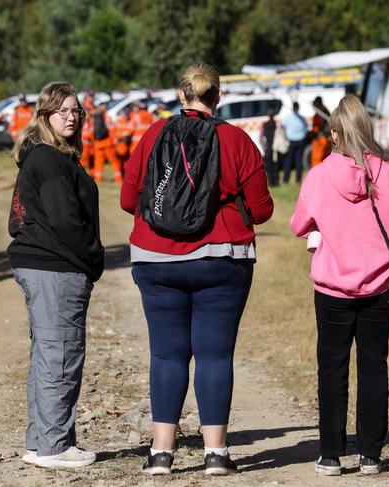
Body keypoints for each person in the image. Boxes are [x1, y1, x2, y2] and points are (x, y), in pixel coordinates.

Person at [121, 63, 274, 476]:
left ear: (181, 93)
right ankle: (216, 454)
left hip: (156, 259)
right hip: (222, 258)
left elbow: (127, 197)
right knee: (214, 354)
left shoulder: (154, 134)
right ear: (217, 96)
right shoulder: (237, 139)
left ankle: (161, 454)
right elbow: (261, 211)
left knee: (167, 354)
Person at [290, 95, 389, 476]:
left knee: (331, 367)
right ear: (368, 130)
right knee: (373, 365)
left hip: (332, 286)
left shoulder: (318, 176)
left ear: (334, 135)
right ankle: (371, 454)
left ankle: (330, 454)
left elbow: (299, 225)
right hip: (381, 285)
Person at [7, 81, 104, 469]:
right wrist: (93, 259)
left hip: (46, 266)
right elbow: (65, 221)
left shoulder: (49, 156)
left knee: (48, 355)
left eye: (76, 110)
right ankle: (54, 446)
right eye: (62, 110)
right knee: (60, 355)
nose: (71, 116)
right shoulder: (48, 159)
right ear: (44, 115)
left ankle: (41, 441)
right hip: (55, 269)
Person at [92, 104, 122, 184]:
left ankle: (98, 179)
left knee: (98, 162)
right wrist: (115, 141)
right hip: (107, 142)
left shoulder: (95, 117)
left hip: (98, 143)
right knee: (114, 161)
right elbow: (112, 130)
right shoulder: (107, 117)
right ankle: (118, 178)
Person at [281, 101, 307, 183]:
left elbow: (282, 126)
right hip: (300, 140)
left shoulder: (288, 117)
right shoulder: (302, 118)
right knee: (298, 161)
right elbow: (306, 128)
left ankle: (286, 179)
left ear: (292, 108)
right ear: (298, 108)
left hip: (291, 141)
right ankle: (298, 179)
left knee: (288, 161)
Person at [310, 96, 331, 167]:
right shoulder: (324, 111)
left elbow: (317, 128)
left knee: (318, 158)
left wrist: (313, 134)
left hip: (321, 139)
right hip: (324, 138)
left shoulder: (321, 113)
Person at [260, 109, 278, 186]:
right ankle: (275, 181)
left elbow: (262, 138)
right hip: (276, 146)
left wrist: (263, 147)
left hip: (268, 146)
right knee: (275, 165)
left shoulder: (265, 125)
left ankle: (271, 182)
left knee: (269, 165)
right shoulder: (276, 124)